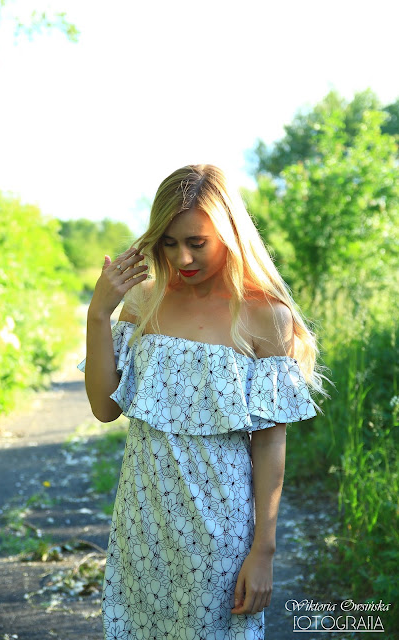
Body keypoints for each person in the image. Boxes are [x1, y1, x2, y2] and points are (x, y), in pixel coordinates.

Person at [77, 164, 329, 640]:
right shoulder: (144, 301)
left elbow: (270, 445)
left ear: (230, 234)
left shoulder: (265, 316)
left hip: (221, 527)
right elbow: (104, 408)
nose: (183, 257)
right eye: (169, 243)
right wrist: (98, 314)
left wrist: (263, 551)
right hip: (142, 519)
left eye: (197, 242)